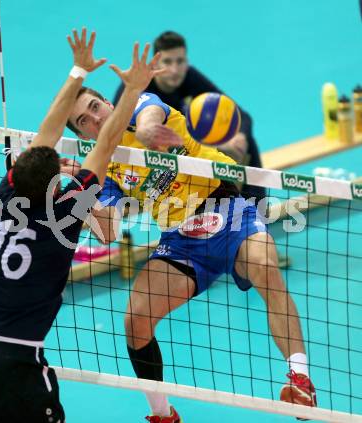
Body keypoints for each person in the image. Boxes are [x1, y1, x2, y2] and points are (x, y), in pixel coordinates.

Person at [66, 86, 317, 421]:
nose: (96, 118)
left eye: (96, 106)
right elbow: (108, 231)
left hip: (229, 209)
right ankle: (162, 414)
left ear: (109, 102)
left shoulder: (138, 107)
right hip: (181, 239)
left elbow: (150, 115)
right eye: (85, 120)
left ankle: (300, 379)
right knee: (135, 320)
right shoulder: (102, 166)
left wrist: (145, 132)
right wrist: (81, 190)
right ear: (81, 133)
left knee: (265, 268)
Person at [0, 28, 165, 422]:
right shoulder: (66, 215)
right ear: (56, 183)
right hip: (17, 365)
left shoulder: (7, 194)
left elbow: (48, 132)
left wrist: (77, 70)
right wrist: (134, 87)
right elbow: (105, 144)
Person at [113, 30, 265, 202]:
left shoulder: (189, 77)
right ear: (155, 64)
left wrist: (239, 137)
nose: (175, 70)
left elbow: (241, 115)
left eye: (180, 61)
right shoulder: (138, 88)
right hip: (145, 167)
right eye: (167, 62)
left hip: (185, 150)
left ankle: (257, 209)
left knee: (244, 142)